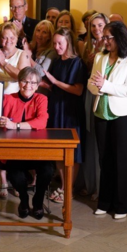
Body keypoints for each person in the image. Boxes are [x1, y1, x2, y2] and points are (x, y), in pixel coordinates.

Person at [88, 21, 127, 219]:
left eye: (109, 37)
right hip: (101, 112)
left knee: (121, 159)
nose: (105, 40)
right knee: (105, 159)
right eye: (104, 37)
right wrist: (98, 86)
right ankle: (104, 201)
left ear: (120, 38)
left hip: (124, 115)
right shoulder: (100, 57)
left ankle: (122, 205)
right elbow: (91, 83)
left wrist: (105, 85)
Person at [0, 67, 52, 220]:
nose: (29, 85)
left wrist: (15, 125)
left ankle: (38, 201)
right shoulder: (7, 98)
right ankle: (24, 200)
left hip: (37, 149)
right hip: (14, 150)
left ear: (38, 85)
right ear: (19, 82)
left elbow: (42, 122)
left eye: (33, 82)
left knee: (47, 170)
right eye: (25, 81)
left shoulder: (41, 99)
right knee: (15, 174)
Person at [45, 27, 87, 204]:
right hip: (56, 108)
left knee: (72, 151)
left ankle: (68, 188)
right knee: (58, 150)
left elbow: (78, 90)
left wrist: (54, 81)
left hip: (70, 110)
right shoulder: (57, 61)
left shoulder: (76, 62)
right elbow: (53, 86)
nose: (56, 46)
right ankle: (63, 185)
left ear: (68, 42)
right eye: (54, 43)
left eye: (59, 43)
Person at [0, 22, 29, 197]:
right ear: (0, 39)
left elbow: (21, 76)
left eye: (11, 38)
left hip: (16, 104)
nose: (8, 41)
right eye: (4, 38)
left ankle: (16, 180)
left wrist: (4, 62)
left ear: (17, 39)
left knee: (15, 143)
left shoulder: (22, 54)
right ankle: (3, 180)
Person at [78, 12, 109, 201]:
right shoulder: (87, 45)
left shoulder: (111, 45)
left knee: (100, 141)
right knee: (88, 138)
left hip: (104, 93)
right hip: (88, 93)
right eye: (93, 26)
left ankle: (101, 186)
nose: (97, 29)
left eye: (100, 25)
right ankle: (89, 183)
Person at [22, 20, 57, 96]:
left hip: (40, 93)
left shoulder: (51, 52)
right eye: (38, 30)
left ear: (49, 36)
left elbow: (41, 72)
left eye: (44, 32)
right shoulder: (30, 46)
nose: (39, 35)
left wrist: (28, 57)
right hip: (26, 90)